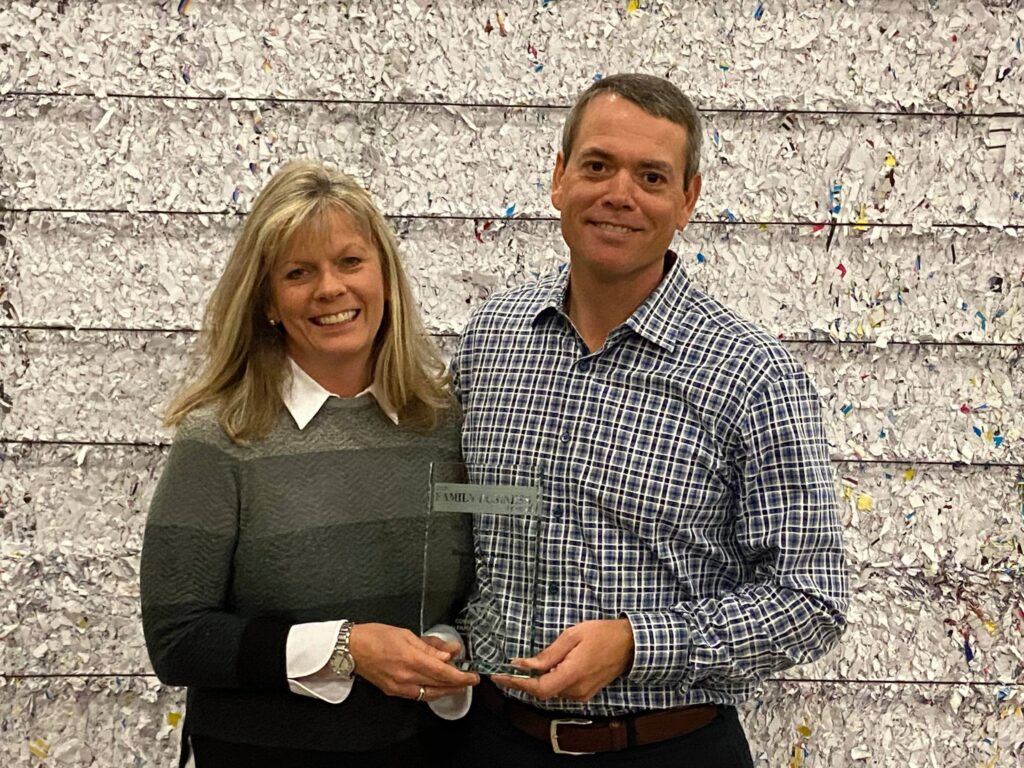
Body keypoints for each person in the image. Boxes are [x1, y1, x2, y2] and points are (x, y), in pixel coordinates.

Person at [451, 74, 848, 766]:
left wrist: (638, 644)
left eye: (652, 176)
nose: (619, 194)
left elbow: (810, 599)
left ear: (687, 199)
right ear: (558, 177)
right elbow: (471, 509)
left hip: (668, 746)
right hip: (492, 740)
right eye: (598, 165)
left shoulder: (752, 375)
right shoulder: (492, 339)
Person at [141, 160, 478, 768]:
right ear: (268, 300)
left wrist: (445, 645)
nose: (330, 288)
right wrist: (347, 649)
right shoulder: (219, 440)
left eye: (350, 262)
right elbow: (177, 639)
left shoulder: (444, 428)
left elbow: (477, 581)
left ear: (385, 277)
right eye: (299, 272)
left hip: (427, 750)